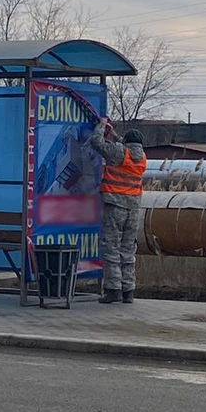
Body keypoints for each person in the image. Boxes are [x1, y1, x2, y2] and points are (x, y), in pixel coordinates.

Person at [89, 119, 146, 304]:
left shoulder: (119, 152)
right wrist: (113, 134)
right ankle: (128, 291)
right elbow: (123, 146)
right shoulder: (142, 157)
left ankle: (113, 290)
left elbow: (96, 142)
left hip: (115, 206)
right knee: (128, 250)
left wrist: (101, 126)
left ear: (126, 142)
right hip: (134, 209)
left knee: (112, 247)